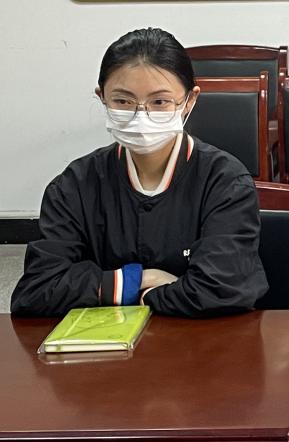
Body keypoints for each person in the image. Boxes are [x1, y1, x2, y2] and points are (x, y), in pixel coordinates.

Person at [12, 28, 268, 317]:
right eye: (123, 101)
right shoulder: (74, 185)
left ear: (190, 100)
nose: (140, 116)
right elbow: (38, 290)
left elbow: (220, 290)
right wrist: (139, 281)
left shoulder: (224, 181)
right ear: (102, 97)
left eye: (160, 102)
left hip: (199, 339)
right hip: (104, 342)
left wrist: (103, 288)